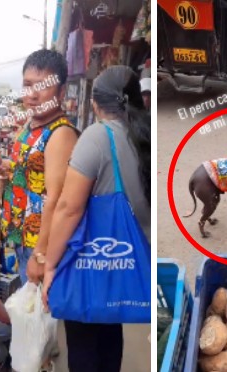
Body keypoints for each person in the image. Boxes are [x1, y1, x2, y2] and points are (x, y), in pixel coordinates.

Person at [41, 66, 151, 372]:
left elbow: (69, 208)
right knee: (110, 330)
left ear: (94, 104)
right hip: (133, 256)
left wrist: (49, 266)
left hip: (92, 260)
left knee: (85, 338)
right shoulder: (145, 135)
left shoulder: (98, 136)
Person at [0, 49, 79, 285]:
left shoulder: (60, 134)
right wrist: (6, 167)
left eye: (43, 86)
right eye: (28, 85)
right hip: (21, 237)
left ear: (61, 92)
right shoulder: (32, 126)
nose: (32, 94)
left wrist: (41, 257)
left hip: (39, 243)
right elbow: (32, 172)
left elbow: (55, 199)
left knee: (37, 313)